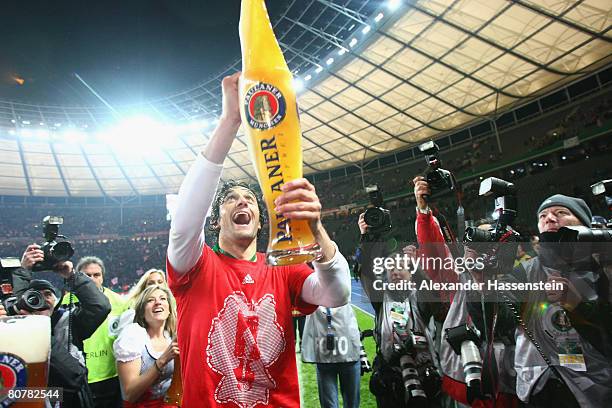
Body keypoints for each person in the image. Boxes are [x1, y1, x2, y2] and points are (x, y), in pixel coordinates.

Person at [166, 72, 351, 407]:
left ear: (259, 217)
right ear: (216, 217)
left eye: (250, 199)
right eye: (231, 199)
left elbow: (337, 294)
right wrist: (229, 121)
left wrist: (315, 229)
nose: (242, 202)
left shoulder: (282, 268)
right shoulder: (195, 265)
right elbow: (183, 224)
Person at [470, 194, 612, 407]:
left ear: (585, 224)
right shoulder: (525, 273)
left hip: (595, 390)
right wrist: (481, 282)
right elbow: (498, 323)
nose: (550, 219)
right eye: (543, 215)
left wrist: (578, 305)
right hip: (539, 388)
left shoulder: (604, 269)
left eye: (561, 213)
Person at [357, 214, 440, 407]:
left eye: (401, 267)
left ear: (411, 273)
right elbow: (364, 271)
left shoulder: (419, 297)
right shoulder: (381, 298)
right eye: (390, 268)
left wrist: (418, 268)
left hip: (424, 375)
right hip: (391, 377)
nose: (394, 271)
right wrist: (365, 237)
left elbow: (434, 295)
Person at [15, 244, 112, 408]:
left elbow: (100, 307)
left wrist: (72, 276)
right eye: (34, 296)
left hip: (70, 401)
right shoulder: (14, 326)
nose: (42, 299)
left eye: (47, 294)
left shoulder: (68, 321)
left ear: (57, 300)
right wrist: (22, 272)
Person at [62, 256, 128, 408]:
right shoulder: (66, 302)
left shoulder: (120, 302)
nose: (92, 279)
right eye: (86, 276)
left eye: (96, 275)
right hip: (82, 377)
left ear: (103, 277)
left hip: (112, 376)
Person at [113, 285, 179, 407]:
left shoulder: (172, 336)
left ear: (169, 309)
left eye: (163, 299)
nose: (158, 302)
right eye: (150, 300)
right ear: (142, 311)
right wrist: (162, 360)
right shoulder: (132, 336)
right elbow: (130, 394)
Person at [301, 304, 362, 408]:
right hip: (348, 351)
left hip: (326, 353)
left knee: (331, 404)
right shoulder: (344, 291)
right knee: (351, 403)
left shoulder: (313, 293)